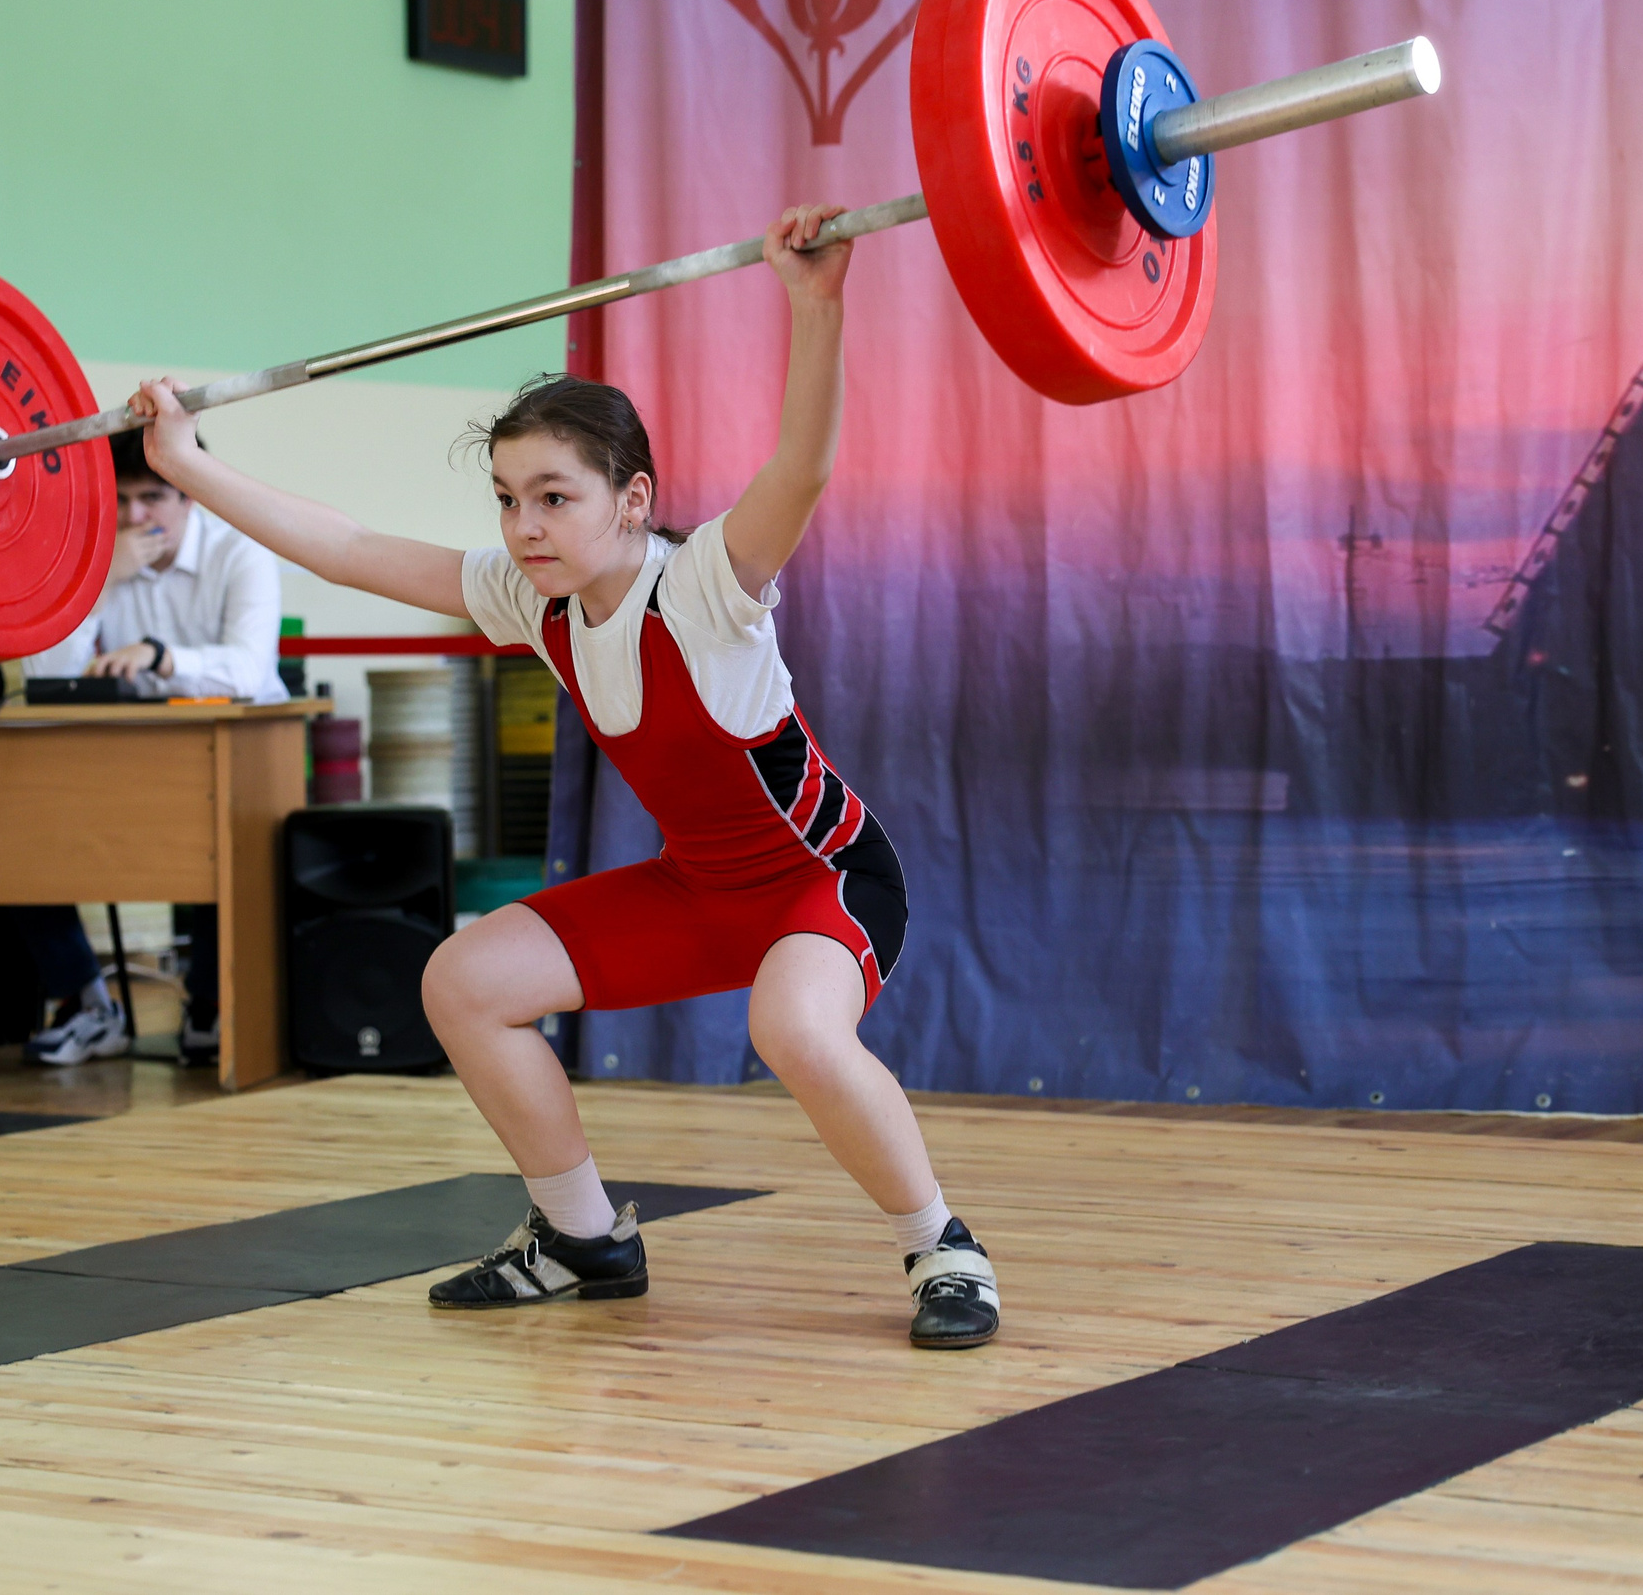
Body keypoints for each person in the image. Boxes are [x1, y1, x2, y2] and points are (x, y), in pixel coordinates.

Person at [126, 206, 999, 1350]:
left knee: (792, 1026)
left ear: (631, 499)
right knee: (463, 979)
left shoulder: (705, 587)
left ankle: (944, 1246)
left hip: (824, 880)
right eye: (506, 496)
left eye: (553, 495)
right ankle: (582, 1236)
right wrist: (185, 464)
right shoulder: (529, 596)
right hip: (699, 889)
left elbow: (804, 465)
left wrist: (815, 303)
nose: (523, 522)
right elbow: (346, 546)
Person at [14, 426, 287, 1068]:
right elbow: (43, 676)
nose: (137, 516)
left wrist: (164, 659)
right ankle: (86, 1003)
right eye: (124, 499)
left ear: (190, 495)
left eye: (154, 498)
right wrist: (103, 580)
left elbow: (249, 670)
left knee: (217, 837)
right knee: (18, 831)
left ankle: (211, 1006)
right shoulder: (92, 558)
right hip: (126, 762)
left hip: (238, 761)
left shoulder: (240, 553)